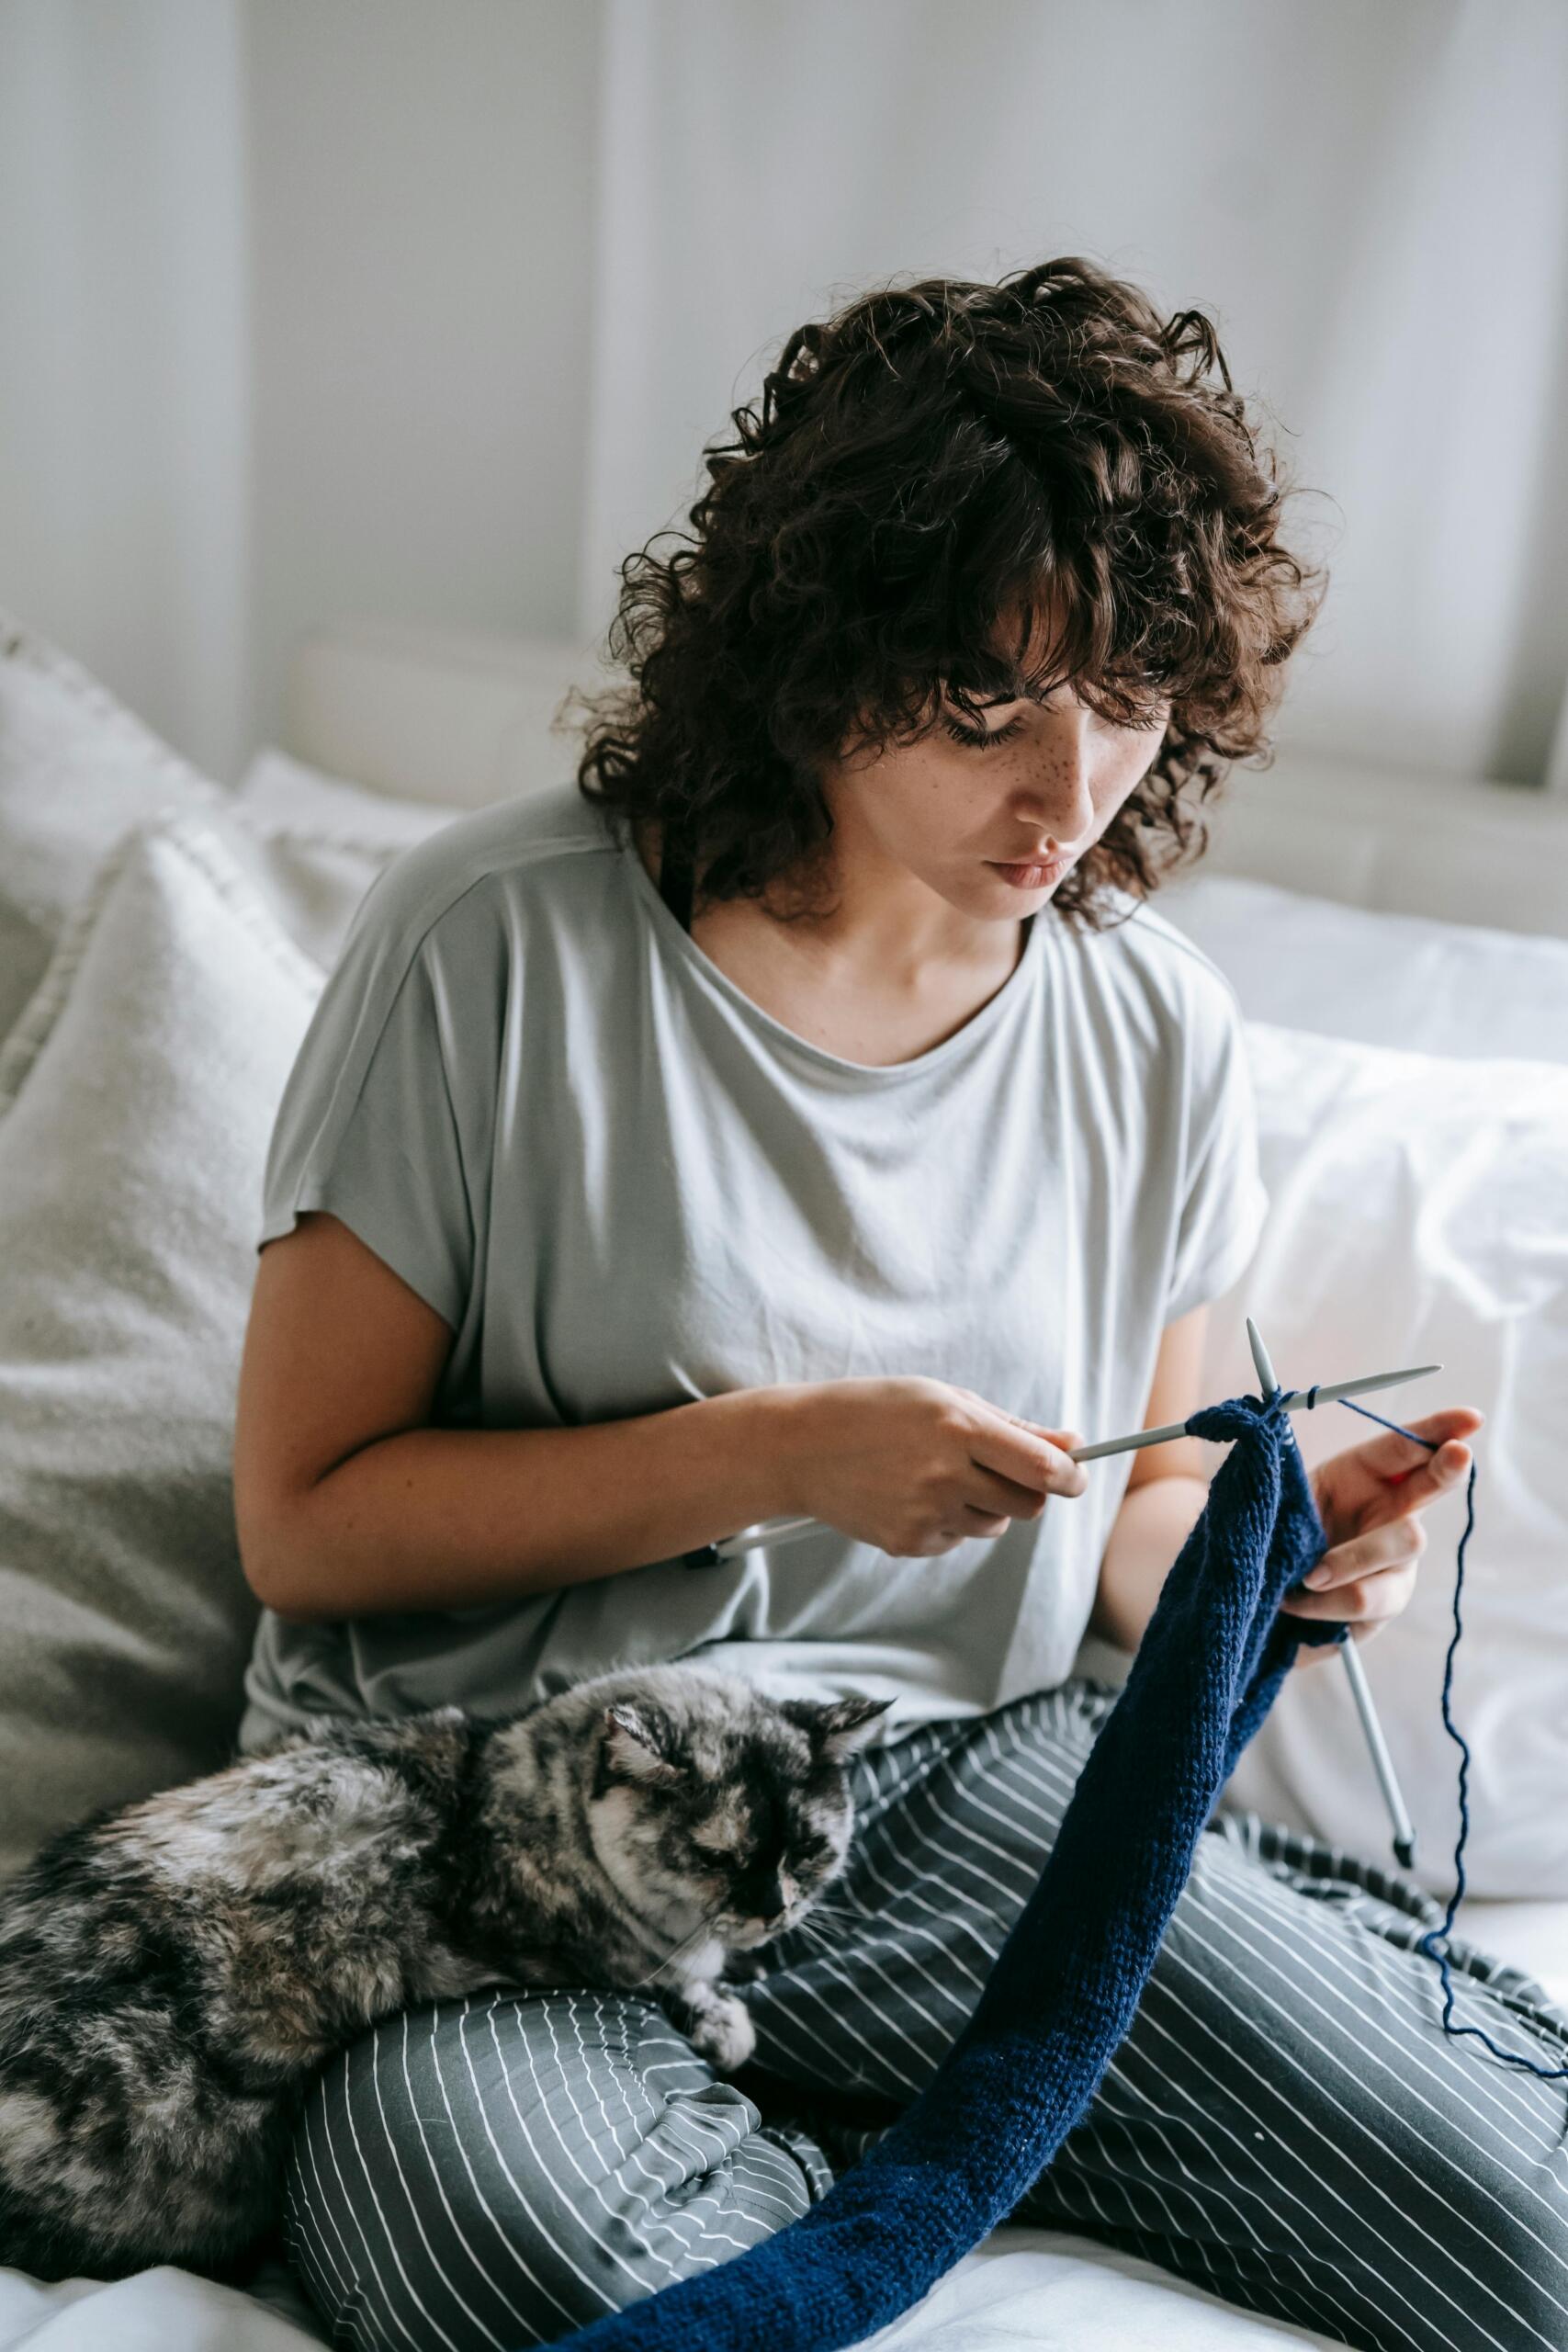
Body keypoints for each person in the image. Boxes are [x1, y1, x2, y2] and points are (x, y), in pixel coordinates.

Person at [231, 256, 1566, 2352]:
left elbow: (1127, 1527)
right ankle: (833, 2147)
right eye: (988, 704)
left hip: (952, 1797)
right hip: (500, 1828)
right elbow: (304, 1517)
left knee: (1519, 2227)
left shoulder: (1150, 1026)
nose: (1070, 791)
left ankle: (881, 2105)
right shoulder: (492, 942)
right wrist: (772, 1463)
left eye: (1124, 702)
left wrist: (1274, 1549)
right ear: (823, 646)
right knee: (531, 2256)